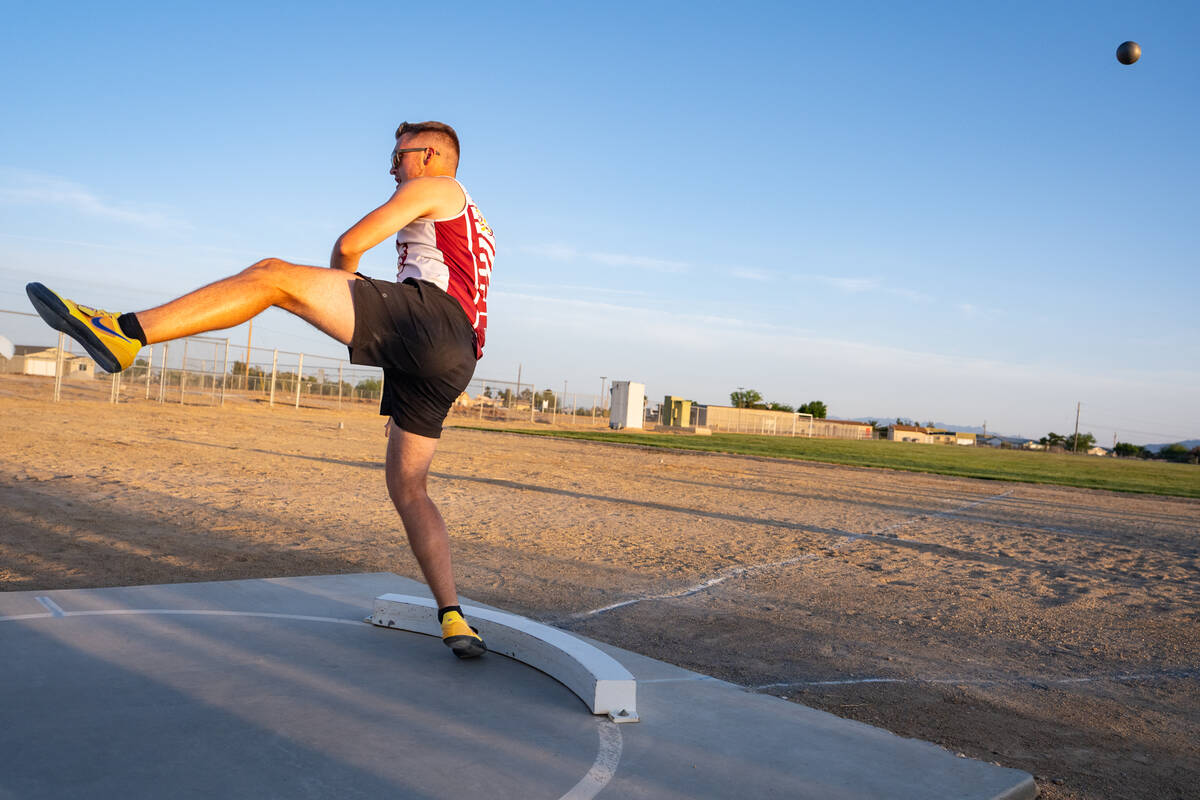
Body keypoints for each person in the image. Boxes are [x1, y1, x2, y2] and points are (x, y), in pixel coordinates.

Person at [26, 120, 495, 659]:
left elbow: (351, 245)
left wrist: (334, 296)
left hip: (429, 319)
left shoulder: (437, 186)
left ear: (431, 154)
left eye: (399, 155)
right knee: (409, 487)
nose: (391, 166)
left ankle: (124, 331)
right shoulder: (474, 223)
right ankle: (454, 616)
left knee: (272, 274)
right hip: (456, 355)